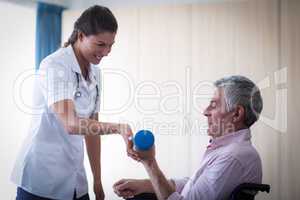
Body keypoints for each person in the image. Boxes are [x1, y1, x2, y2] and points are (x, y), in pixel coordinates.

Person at [11, 5, 138, 200]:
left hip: (75, 180)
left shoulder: (95, 72)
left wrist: (96, 179)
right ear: (80, 36)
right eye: (100, 44)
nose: (106, 52)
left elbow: (91, 129)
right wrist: (118, 128)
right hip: (41, 180)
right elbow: (72, 124)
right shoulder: (54, 66)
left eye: (111, 45)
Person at [113, 75, 263, 200]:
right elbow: (193, 186)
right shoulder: (229, 150)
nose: (205, 111)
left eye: (214, 105)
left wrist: (150, 163)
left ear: (236, 113)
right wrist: (146, 185)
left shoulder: (232, 157)